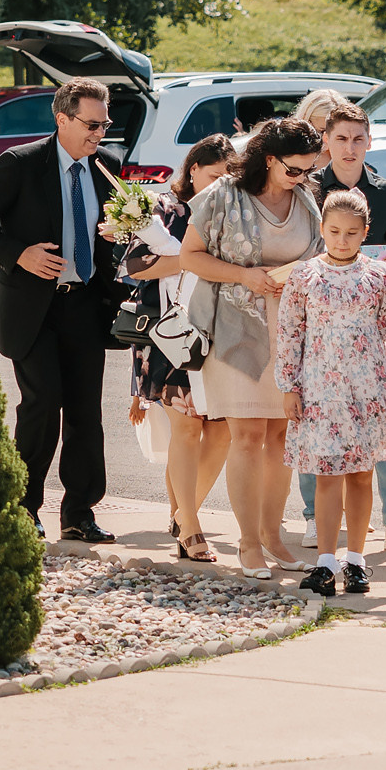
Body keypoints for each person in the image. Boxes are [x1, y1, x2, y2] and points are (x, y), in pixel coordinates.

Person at [0, 76, 130, 543]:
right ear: (62, 119)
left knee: (85, 413)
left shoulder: (108, 165)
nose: (100, 133)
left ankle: (79, 513)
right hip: (32, 308)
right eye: (92, 124)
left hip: (86, 304)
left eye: (105, 124)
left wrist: (121, 238)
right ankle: (23, 508)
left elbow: (113, 233)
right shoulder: (21, 162)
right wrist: (19, 254)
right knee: (42, 406)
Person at [179, 118, 327, 578]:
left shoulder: (306, 199)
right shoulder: (222, 194)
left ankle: (272, 536)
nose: (302, 178)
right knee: (246, 436)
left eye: (309, 169)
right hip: (235, 330)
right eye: (294, 169)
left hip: (292, 334)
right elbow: (189, 256)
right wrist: (245, 275)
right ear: (268, 159)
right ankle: (247, 544)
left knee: (281, 438)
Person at [277, 189, 386, 597]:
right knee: (327, 476)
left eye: (352, 233)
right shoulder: (304, 276)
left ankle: (356, 561)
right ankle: (325, 562)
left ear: (366, 232)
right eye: (335, 231)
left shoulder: (379, 275)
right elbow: (289, 333)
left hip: (368, 389)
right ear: (322, 228)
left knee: (361, 476)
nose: (342, 240)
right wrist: (288, 385)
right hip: (322, 392)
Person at [293, 94, 386, 552]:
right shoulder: (306, 191)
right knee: (317, 429)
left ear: (370, 142)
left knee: (383, 423)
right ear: (326, 140)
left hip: (372, 331)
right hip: (320, 334)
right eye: (341, 138)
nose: (349, 147)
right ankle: (315, 517)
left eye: (358, 139)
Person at [124, 133, 235, 561]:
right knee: (187, 429)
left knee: (221, 432)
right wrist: (192, 260)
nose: (220, 183)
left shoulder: (234, 211)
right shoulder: (166, 209)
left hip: (222, 334)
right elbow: (135, 266)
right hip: (170, 337)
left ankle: (182, 514)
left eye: (228, 176)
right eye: (213, 175)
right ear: (193, 170)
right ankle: (190, 526)